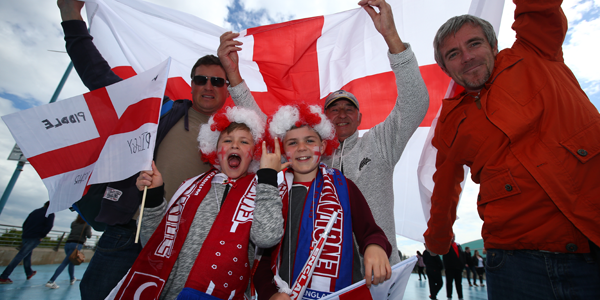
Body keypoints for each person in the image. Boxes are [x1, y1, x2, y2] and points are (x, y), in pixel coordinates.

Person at [57, 1, 262, 298]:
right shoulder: (159, 111)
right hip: (130, 234)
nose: (208, 85)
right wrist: (71, 16)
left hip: (187, 245)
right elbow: (98, 77)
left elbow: (265, 135)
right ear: (191, 84)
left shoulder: (235, 133)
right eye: (201, 79)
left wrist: (234, 75)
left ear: (226, 87)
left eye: (218, 81)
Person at [423, 0, 600, 299]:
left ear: (493, 46)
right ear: (446, 69)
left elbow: (539, 6)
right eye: (453, 54)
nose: (466, 57)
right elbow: (444, 187)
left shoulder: (536, 51)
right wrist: (436, 244)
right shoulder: (450, 122)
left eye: (474, 44)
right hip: (514, 263)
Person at [107, 106, 283, 300]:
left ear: (254, 152)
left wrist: (268, 179)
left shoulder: (263, 190)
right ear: (216, 151)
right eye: (227, 140)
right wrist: (153, 196)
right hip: (174, 293)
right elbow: (154, 243)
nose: (235, 146)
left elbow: (267, 238)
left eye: (244, 142)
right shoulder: (190, 188)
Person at [252, 103, 392, 300]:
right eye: (292, 143)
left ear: (324, 146)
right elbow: (262, 258)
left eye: (310, 140)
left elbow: (370, 232)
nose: (301, 148)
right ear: (282, 150)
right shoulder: (275, 192)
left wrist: (374, 247)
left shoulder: (345, 187)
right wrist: (270, 294)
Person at [0, 201, 55, 284]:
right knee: (20, 256)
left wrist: (25, 232)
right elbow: (49, 226)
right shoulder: (50, 213)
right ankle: (4, 276)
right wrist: (41, 236)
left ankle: (29, 272)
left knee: (27, 255)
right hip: (35, 237)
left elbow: (24, 223)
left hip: (25, 235)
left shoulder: (35, 211)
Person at [45, 215, 92, 289]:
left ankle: (72, 278)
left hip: (68, 244)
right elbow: (89, 235)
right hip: (76, 245)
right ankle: (51, 281)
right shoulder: (87, 224)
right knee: (65, 263)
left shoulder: (74, 223)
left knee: (71, 261)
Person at [442, 235, 465, 299]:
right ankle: (449, 296)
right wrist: (446, 267)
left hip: (458, 268)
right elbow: (445, 258)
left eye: (453, 236)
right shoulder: (446, 246)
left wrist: (462, 265)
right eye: (451, 236)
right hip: (450, 268)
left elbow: (462, 255)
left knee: (459, 283)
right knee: (449, 283)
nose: (453, 238)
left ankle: (460, 296)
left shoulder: (458, 245)